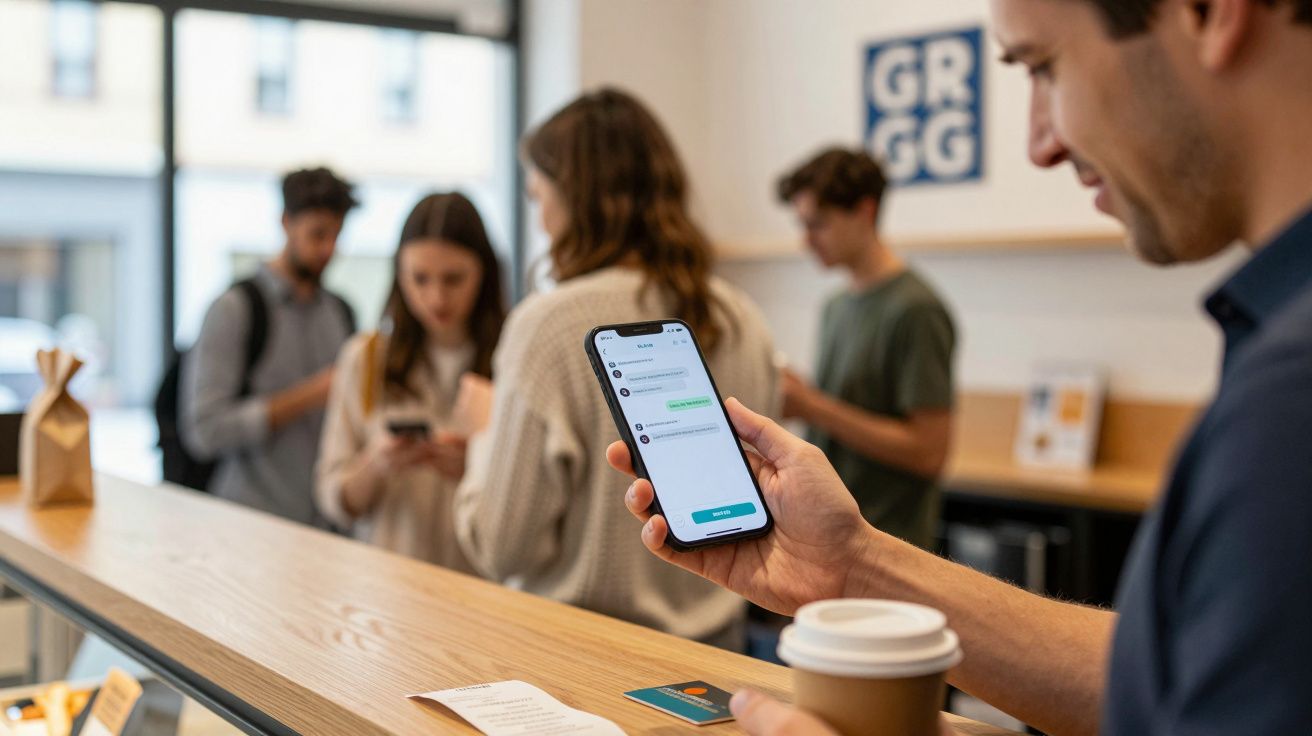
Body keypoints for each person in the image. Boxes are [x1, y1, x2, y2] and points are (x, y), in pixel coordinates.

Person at [608, 0, 1312, 733]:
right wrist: (849, 568)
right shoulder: (1275, 353)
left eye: (1043, 66)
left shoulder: (1289, 396)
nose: (1040, 145)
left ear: (1214, 14)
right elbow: (1163, 676)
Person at [454, 88, 780, 650]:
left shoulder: (548, 326)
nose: (540, 219)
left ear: (573, 199)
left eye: (539, 196)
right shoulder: (743, 317)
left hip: (581, 666)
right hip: (724, 662)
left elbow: (502, 546)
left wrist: (484, 433)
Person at [775, 148, 955, 549]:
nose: (806, 241)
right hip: (830, 535)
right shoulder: (836, 306)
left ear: (865, 211)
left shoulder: (916, 309)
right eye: (802, 225)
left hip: (889, 543)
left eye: (818, 224)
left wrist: (812, 406)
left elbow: (929, 452)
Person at [315, 193, 505, 571]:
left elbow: (536, 511)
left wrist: (478, 466)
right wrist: (377, 464)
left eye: (454, 278)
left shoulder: (512, 360)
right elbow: (332, 497)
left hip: (483, 595)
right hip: (386, 593)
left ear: (483, 273)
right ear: (399, 275)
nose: (436, 297)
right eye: (419, 278)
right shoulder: (366, 358)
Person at [182, 167, 358, 526]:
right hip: (248, 524)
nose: (328, 249)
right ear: (286, 223)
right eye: (317, 234)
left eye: (337, 235)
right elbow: (205, 430)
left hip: (325, 528)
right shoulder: (236, 309)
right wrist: (310, 395)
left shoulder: (341, 312)